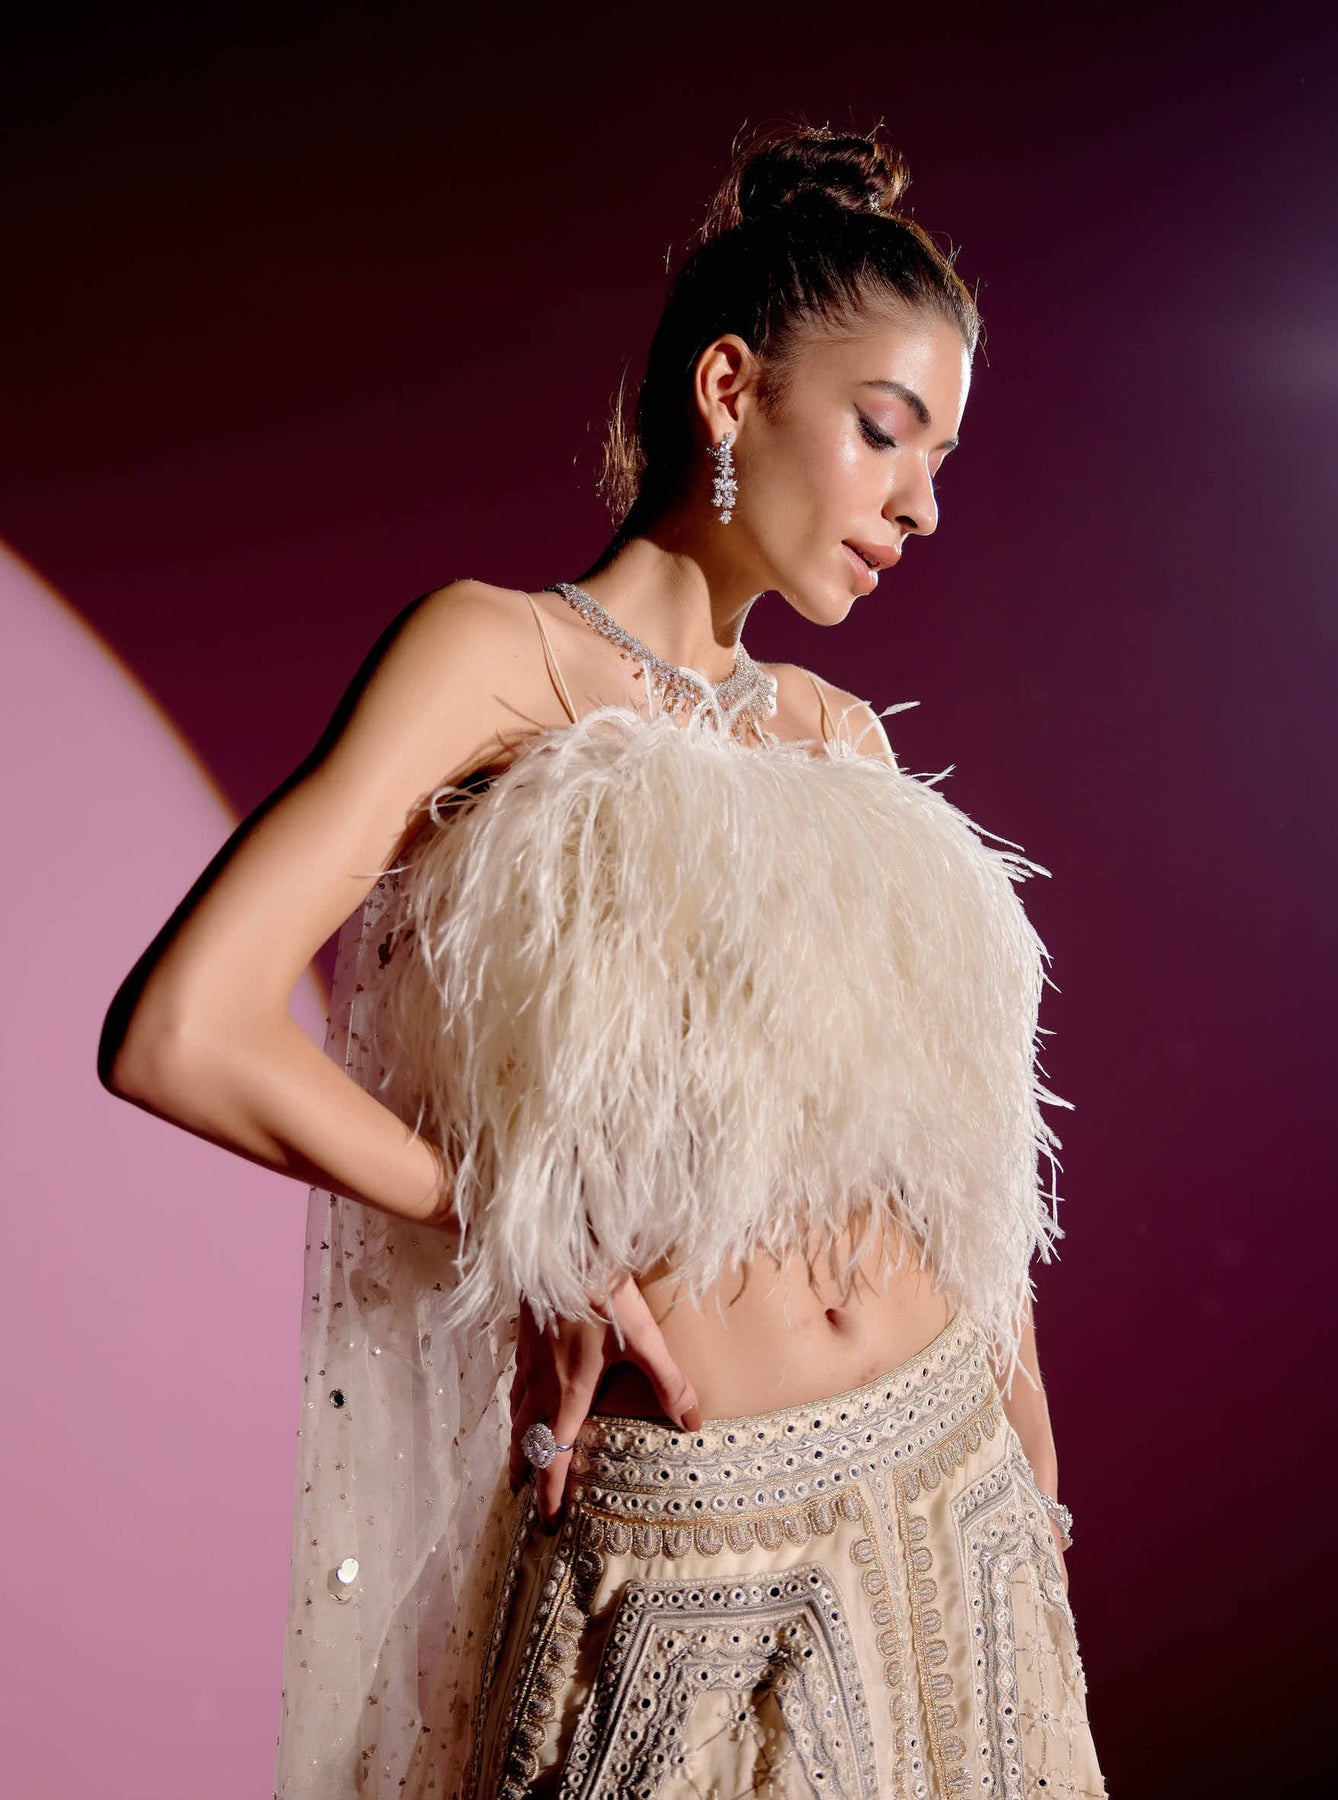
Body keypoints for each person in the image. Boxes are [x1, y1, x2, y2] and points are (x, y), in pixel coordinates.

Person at [102, 121, 1106, 1798]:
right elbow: (185, 1029)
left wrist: (1038, 1500)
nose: (923, 505)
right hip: (693, 1534)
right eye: (884, 433)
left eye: (941, 459)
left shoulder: (841, 739)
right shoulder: (496, 655)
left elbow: (959, 1190)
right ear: (730, 390)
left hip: (962, 1508)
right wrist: (526, 1227)